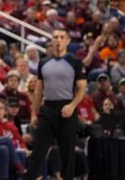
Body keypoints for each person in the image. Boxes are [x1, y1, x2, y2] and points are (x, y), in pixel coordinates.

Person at [24, 28, 87, 180]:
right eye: (55, 37)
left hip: (67, 109)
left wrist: (72, 106)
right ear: (52, 40)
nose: (58, 40)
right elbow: (39, 90)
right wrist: (34, 112)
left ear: (67, 41)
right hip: (48, 109)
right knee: (37, 152)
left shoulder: (75, 62)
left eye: (61, 37)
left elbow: (81, 89)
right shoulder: (44, 63)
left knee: (67, 155)